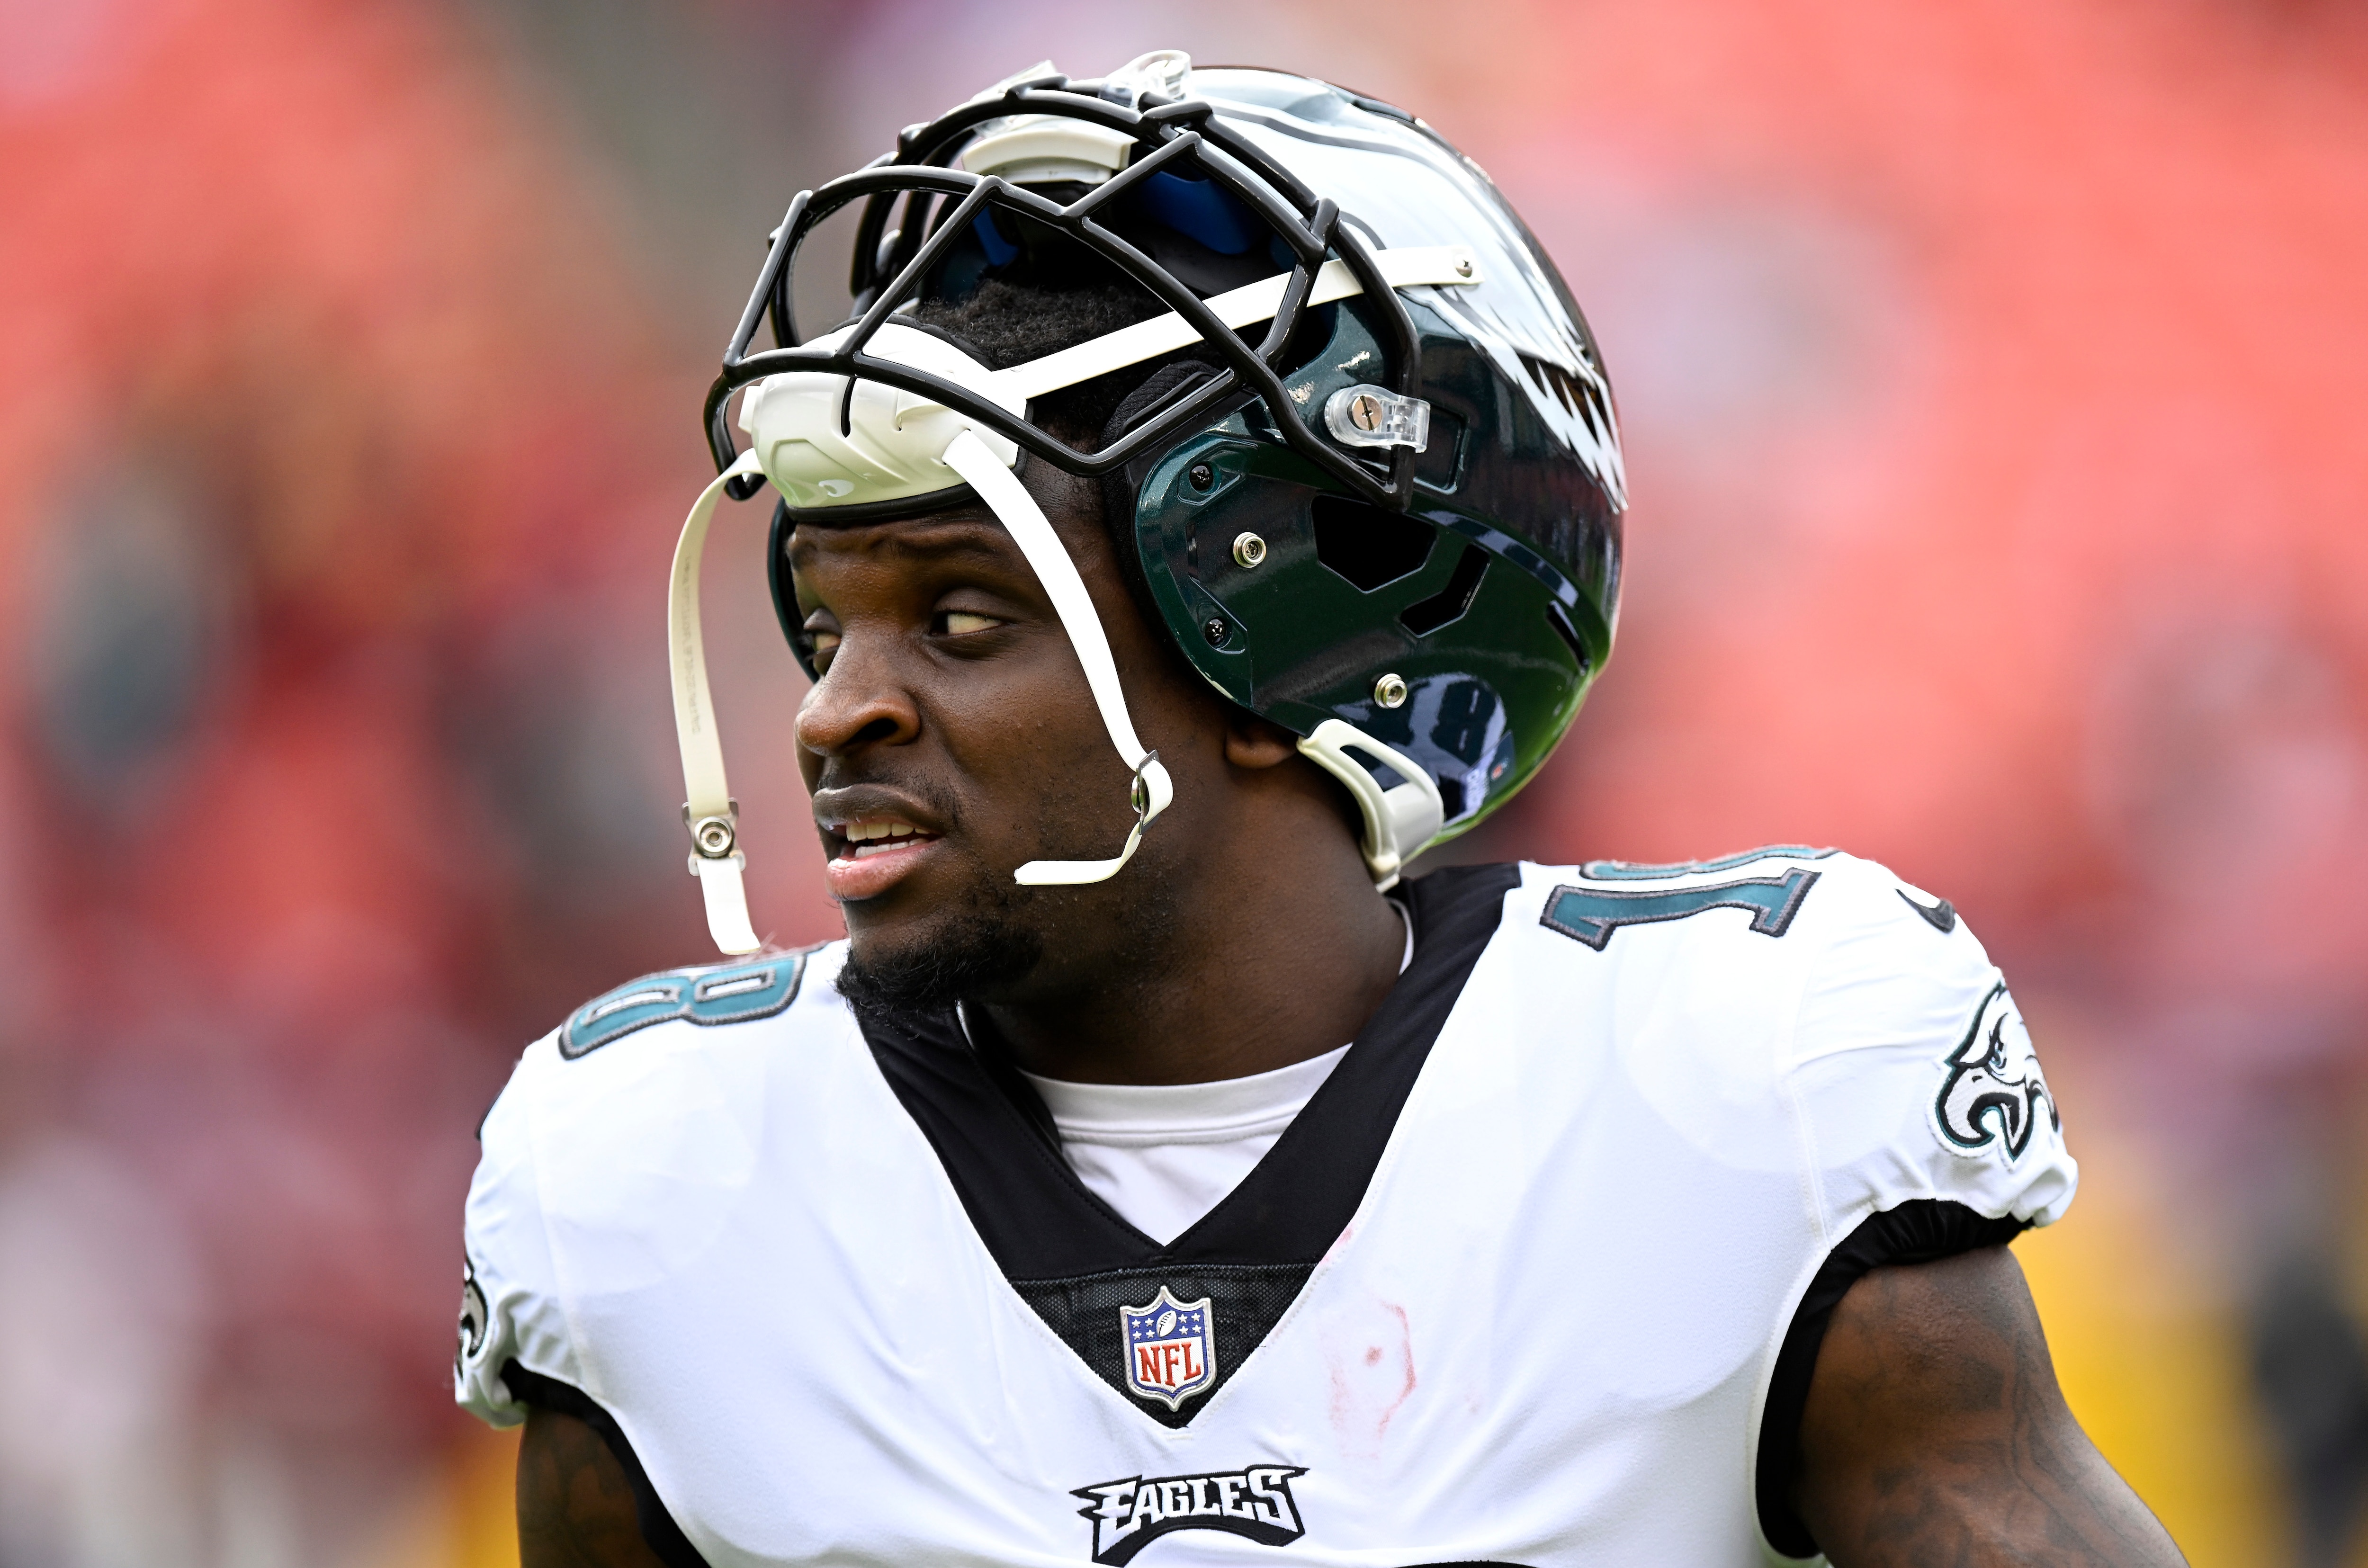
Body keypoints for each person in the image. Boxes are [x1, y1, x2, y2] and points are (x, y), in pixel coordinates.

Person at [454, 52, 2187, 1568]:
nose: (837, 708)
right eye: (826, 622)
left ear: (1290, 634)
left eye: (963, 618)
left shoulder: (1737, 1104)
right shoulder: (661, 1188)